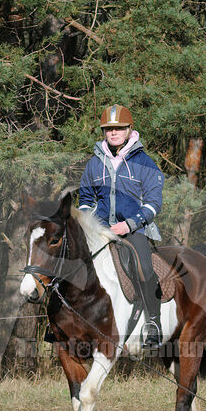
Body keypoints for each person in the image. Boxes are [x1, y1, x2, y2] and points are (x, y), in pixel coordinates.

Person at [79, 104, 164, 348]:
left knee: (143, 267)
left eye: (119, 128)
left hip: (135, 230)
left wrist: (129, 225)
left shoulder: (145, 163)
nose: (114, 133)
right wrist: (89, 224)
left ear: (129, 129)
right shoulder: (94, 164)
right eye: (109, 129)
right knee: (69, 259)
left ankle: (153, 324)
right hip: (100, 230)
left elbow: (153, 204)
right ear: (104, 132)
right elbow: (85, 200)